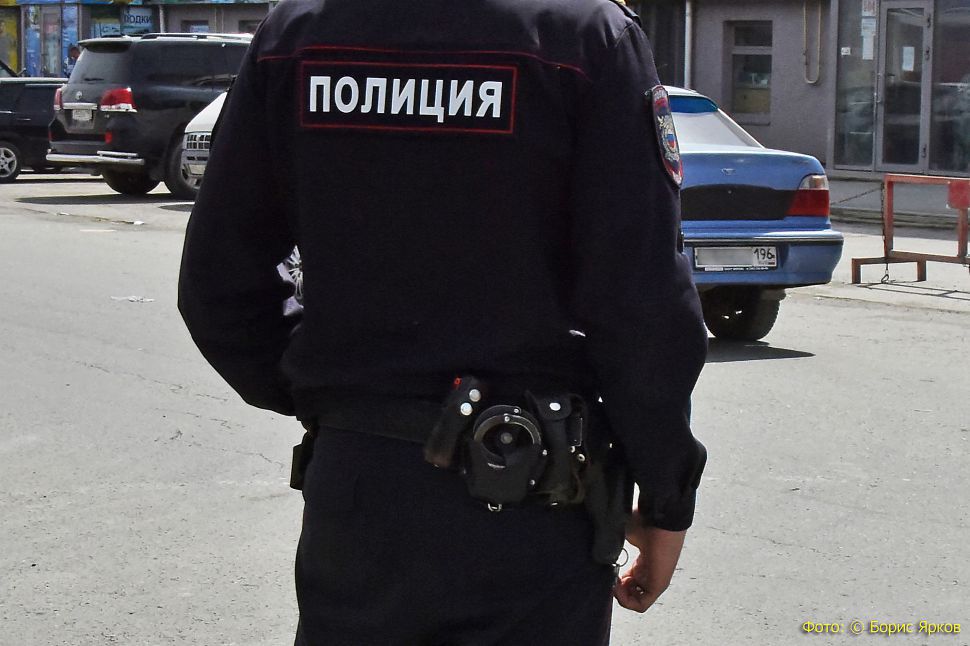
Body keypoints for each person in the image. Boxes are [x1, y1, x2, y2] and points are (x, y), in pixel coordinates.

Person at [178, 0, 708, 643]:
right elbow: (641, 306)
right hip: (530, 501)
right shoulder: (583, 34)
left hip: (361, 488)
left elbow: (219, 285)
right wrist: (666, 496)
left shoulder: (296, 32)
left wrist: (348, 402)